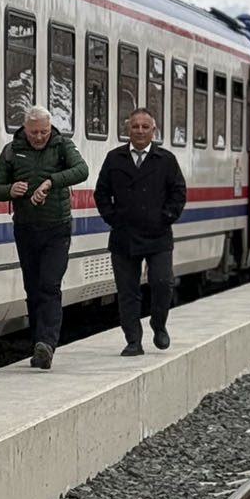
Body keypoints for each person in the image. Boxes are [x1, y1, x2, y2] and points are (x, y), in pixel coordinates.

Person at [0, 106, 90, 370]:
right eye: (34, 132)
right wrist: (10, 189)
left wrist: (51, 181)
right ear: (25, 128)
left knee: (49, 285)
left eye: (44, 131)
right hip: (26, 228)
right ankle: (38, 344)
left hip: (57, 228)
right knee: (32, 288)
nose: (40, 137)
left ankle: (47, 343)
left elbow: (82, 170)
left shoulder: (62, 145)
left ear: (50, 127)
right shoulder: (12, 150)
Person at [95, 108, 188, 357]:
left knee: (162, 283)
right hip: (124, 235)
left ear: (153, 131)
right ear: (128, 130)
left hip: (158, 235)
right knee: (127, 291)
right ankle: (133, 340)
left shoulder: (166, 160)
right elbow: (101, 192)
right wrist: (112, 217)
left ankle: (159, 325)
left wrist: (167, 216)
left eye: (145, 127)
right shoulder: (115, 158)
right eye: (135, 126)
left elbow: (178, 192)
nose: (139, 131)